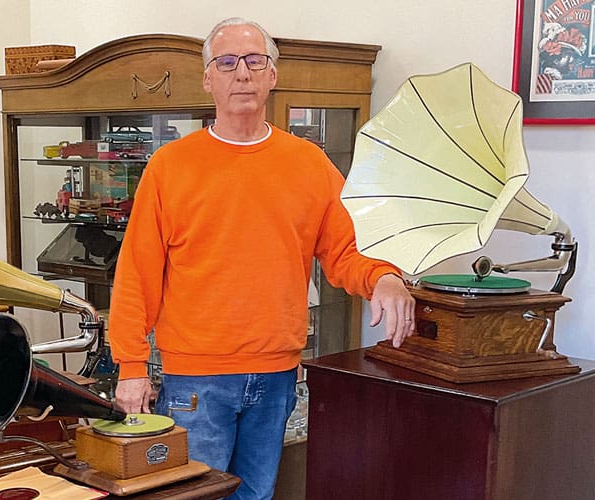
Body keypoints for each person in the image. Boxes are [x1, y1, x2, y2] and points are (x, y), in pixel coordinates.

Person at [107, 17, 415, 500]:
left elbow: (345, 252)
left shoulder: (309, 164)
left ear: (273, 74)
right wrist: (130, 366)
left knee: (256, 496)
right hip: (195, 380)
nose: (242, 73)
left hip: (276, 377)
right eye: (227, 63)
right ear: (208, 78)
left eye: (255, 61)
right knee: (192, 496)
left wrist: (386, 278)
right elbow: (136, 276)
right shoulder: (170, 167)